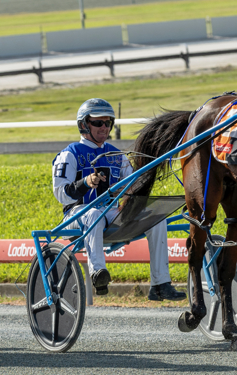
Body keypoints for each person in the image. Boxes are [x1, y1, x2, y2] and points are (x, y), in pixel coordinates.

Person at [52, 98, 186, 301]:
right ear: (83, 124)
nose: (104, 127)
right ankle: (98, 273)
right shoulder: (69, 154)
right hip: (77, 215)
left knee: (156, 219)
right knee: (93, 214)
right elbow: (61, 193)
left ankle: (160, 284)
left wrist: (129, 188)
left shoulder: (117, 155)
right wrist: (86, 182)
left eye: (108, 122)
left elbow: (133, 184)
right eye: (98, 122)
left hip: (111, 214)